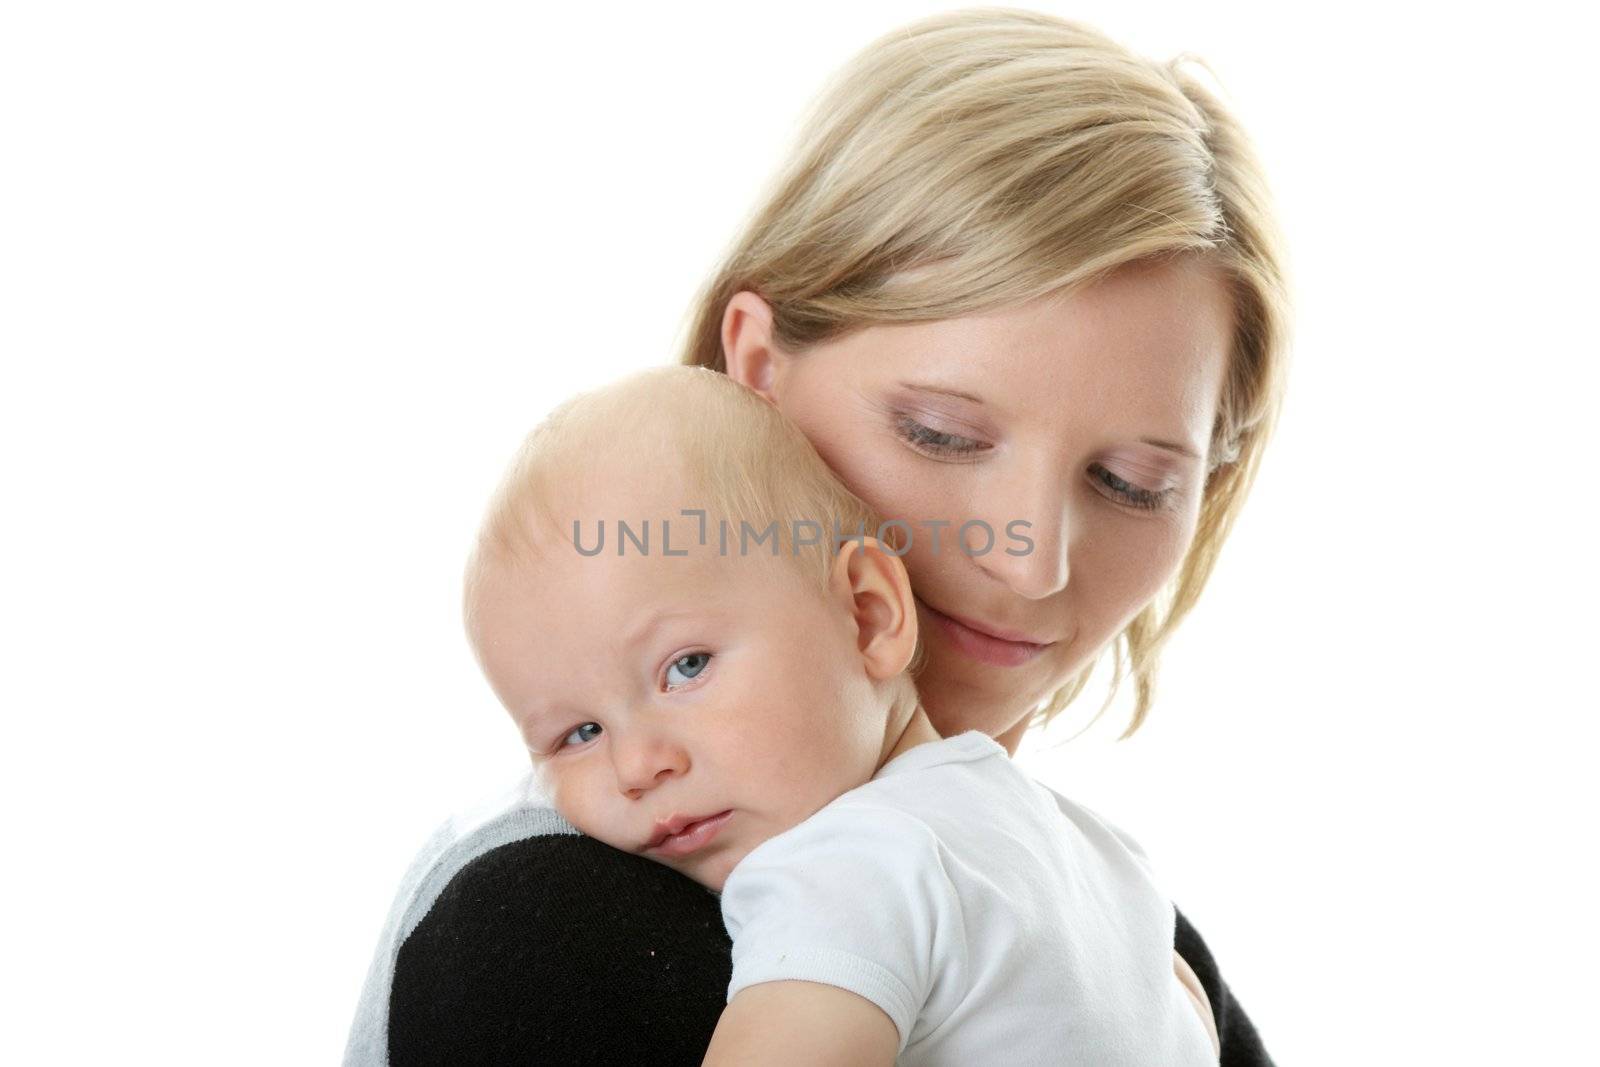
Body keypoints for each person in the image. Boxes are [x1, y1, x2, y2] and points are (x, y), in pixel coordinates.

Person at [345, 9, 1287, 1065]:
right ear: (757, 368)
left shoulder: (1137, 938)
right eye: (938, 432)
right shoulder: (545, 918)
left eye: (1130, 482)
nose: (1031, 561)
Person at [460, 365, 1221, 1065]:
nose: (636, 765)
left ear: (865, 615)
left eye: (686, 667)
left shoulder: (844, 872)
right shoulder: (1103, 860)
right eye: (578, 734)